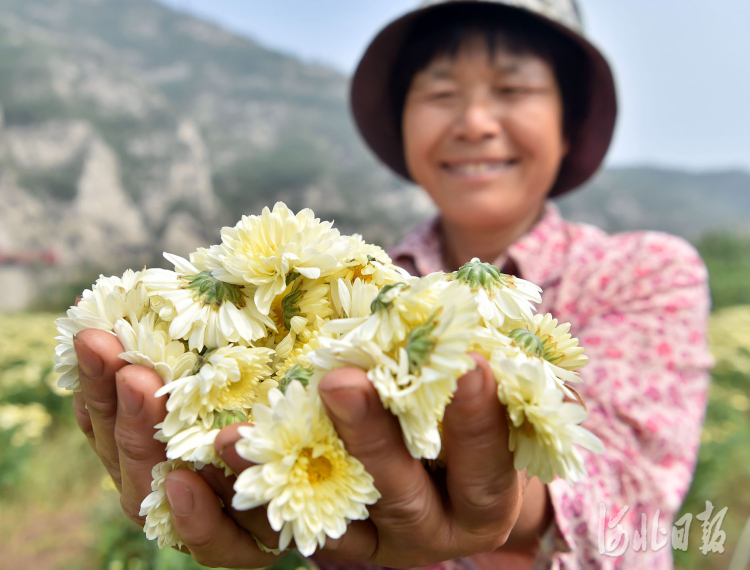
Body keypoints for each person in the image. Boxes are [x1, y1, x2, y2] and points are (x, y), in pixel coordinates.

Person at [71, 1, 713, 568]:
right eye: (440, 93)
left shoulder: (645, 271)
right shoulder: (350, 283)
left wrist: (503, 495)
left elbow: (633, 503)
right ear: (404, 128)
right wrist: (212, 473)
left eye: (513, 89)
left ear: (569, 124)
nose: (475, 122)